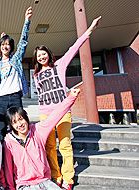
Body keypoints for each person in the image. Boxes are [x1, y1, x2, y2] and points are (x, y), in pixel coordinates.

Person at [32, 16, 101, 190]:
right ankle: (56, 175)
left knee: (64, 143)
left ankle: (68, 178)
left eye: (43, 54)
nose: (42, 57)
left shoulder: (60, 65)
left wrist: (90, 29)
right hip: (45, 112)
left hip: (62, 110)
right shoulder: (36, 75)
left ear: (48, 54)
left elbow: (74, 47)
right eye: (38, 55)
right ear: (36, 59)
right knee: (49, 146)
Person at [3, 89, 80, 190]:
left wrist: (71, 98)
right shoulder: (9, 141)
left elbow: (55, 116)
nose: (19, 124)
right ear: (11, 125)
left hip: (44, 181)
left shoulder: (38, 130)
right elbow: (8, 167)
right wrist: (11, 188)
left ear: (26, 118)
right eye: (15, 122)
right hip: (24, 184)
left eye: (21, 119)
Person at [0, 7, 32, 142]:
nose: (5, 46)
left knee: (19, 126)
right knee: (1, 128)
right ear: (0, 46)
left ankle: (21, 152)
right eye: (3, 44)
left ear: (11, 47)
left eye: (8, 44)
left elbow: (23, 41)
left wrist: (26, 21)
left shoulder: (16, 59)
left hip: (15, 97)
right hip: (1, 99)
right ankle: (3, 158)